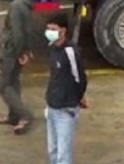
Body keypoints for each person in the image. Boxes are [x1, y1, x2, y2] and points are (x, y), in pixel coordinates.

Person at [44, 14, 87, 164]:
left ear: (63, 31)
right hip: (52, 107)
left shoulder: (71, 52)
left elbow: (80, 78)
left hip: (66, 110)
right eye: (48, 29)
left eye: (53, 29)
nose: (49, 32)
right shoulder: (51, 48)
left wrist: (77, 98)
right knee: (53, 150)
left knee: (63, 155)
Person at [0, 0, 35, 135]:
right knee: (13, 81)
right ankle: (14, 115)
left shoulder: (16, 6)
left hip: (11, 51)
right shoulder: (24, 3)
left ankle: (24, 114)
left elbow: (18, 32)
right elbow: (27, 30)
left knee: (2, 84)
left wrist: (19, 52)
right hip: (17, 49)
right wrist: (27, 49)